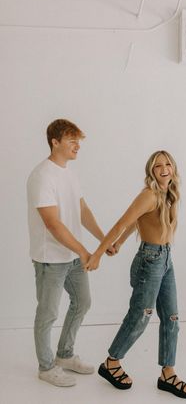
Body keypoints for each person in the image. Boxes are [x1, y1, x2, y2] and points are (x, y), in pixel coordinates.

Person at [85, 150, 186, 399]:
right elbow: (122, 221)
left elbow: (137, 222)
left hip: (166, 258)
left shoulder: (169, 193)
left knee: (172, 318)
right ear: (151, 171)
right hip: (150, 260)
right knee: (141, 315)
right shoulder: (149, 194)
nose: (164, 168)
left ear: (173, 168)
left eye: (168, 164)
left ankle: (168, 373)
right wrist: (99, 253)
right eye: (158, 166)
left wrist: (121, 243)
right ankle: (111, 363)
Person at [27, 118, 114, 387]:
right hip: (50, 258)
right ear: (55, 142)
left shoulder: (70, 173)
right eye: (72, 140)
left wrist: (104, 239)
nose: (78, 145)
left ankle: (65, 355)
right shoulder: (42, 175)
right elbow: (53, 224)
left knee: (82, 302)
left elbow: (82, 211)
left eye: (79, 140)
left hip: (73, 255)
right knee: (48, 313)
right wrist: (85, 251)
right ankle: (45, 366)